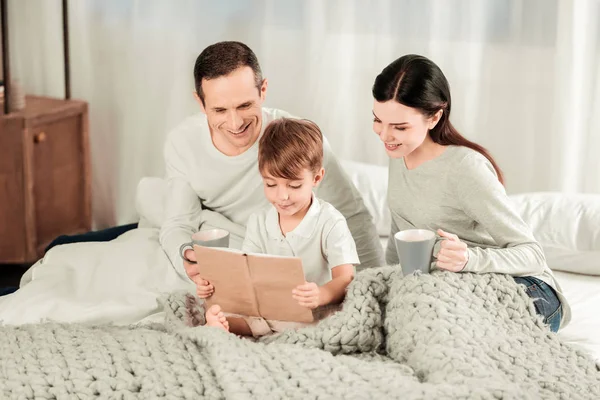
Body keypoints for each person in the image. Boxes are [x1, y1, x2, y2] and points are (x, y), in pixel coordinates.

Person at [372, 54, 570, 332]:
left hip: (525, 289)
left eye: (399, 127)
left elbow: (532, 254)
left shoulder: (465, 168)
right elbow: (399, 232)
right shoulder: (399, 153)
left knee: (441, 328)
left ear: (435, 117)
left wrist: (469, 259)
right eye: (378, 120)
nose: (384, 135)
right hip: (453, 290)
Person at [160, 41, 383, 284]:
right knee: (160, 204)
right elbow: (178, 222)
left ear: (263, 90)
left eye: (245, 105)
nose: (235, 124)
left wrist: (372, 285)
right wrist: (186, 255)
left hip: (283, 246)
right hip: (239, 245)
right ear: (200, 103)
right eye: (220, 110)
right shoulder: (182, 143)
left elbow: (352, 215)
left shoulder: (297, 138)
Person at [201, 118, 358, 336]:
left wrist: (321, 294)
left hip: (315, 314)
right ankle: (221, 324)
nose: (282, 196)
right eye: (271, 184)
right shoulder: (259, 221)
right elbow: (246, 274)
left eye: (294, 185)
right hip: (270, 311)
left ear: (317, 177)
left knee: (323, 323)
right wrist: (214, 286)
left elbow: (346, 278)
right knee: (236, 312)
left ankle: (230, 327)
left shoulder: (330, 221)